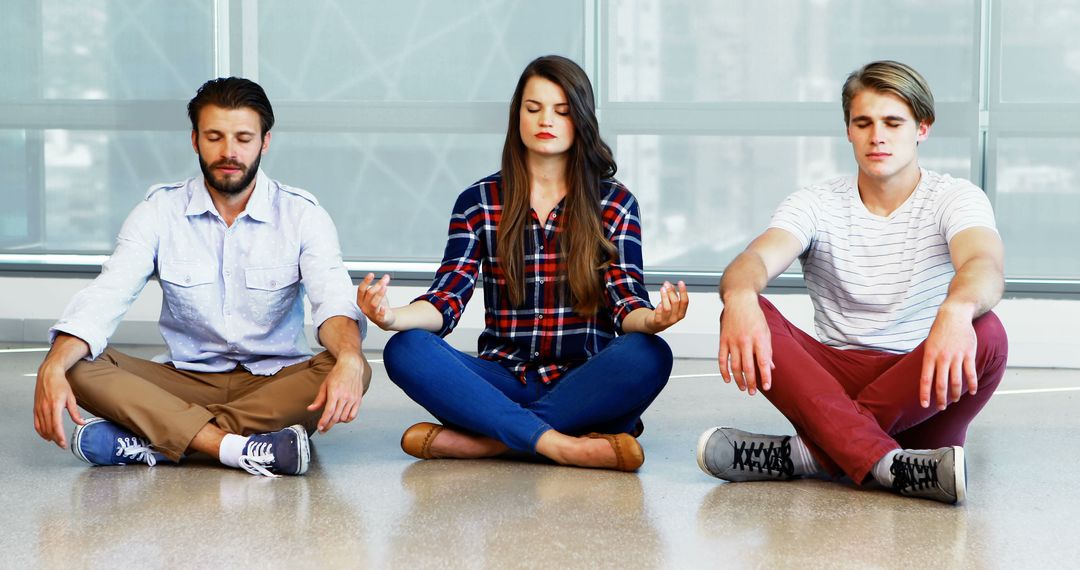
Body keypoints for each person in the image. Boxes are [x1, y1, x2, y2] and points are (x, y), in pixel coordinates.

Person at [697, 60, 1007, 504]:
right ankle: (888, 463)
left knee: (988, 331)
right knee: (745, 307)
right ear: (848, 131)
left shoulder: (955, 198)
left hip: (921, 381)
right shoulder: (815, 203)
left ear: (922, 128)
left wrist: (956, 310)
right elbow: (754, 259)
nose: (877, 136)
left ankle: (805, 455)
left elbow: (983, 263)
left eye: (892, 122)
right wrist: (742, 294)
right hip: (831, 384)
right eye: (863, 123)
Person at [358, 55, 685, 472]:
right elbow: (446, 300)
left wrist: (654, 321)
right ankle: (563, 445)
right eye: (533, 109)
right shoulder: (477, 202)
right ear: (517, 117)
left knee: (649, 354)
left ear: (580, 119)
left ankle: (490, 442)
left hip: (582, 384)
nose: (545, 120)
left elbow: (627, 304)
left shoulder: (614, 203)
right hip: (502, 381)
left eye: (561, 111)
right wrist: (389, 316)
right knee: (406, 348)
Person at [32, 77, 370, 477]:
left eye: (244, 138)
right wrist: (51, 366)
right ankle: (237, 448)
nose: (229, 152)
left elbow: (331, 300)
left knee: (352, 366)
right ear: (195, 140)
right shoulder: (159, 211)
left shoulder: (303, 214)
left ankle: (158, 440)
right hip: (182, 378)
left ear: (265, 142)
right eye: (215, 137)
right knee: (74, 363)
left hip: (274, 381)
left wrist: (349, 356)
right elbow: (108, 293)